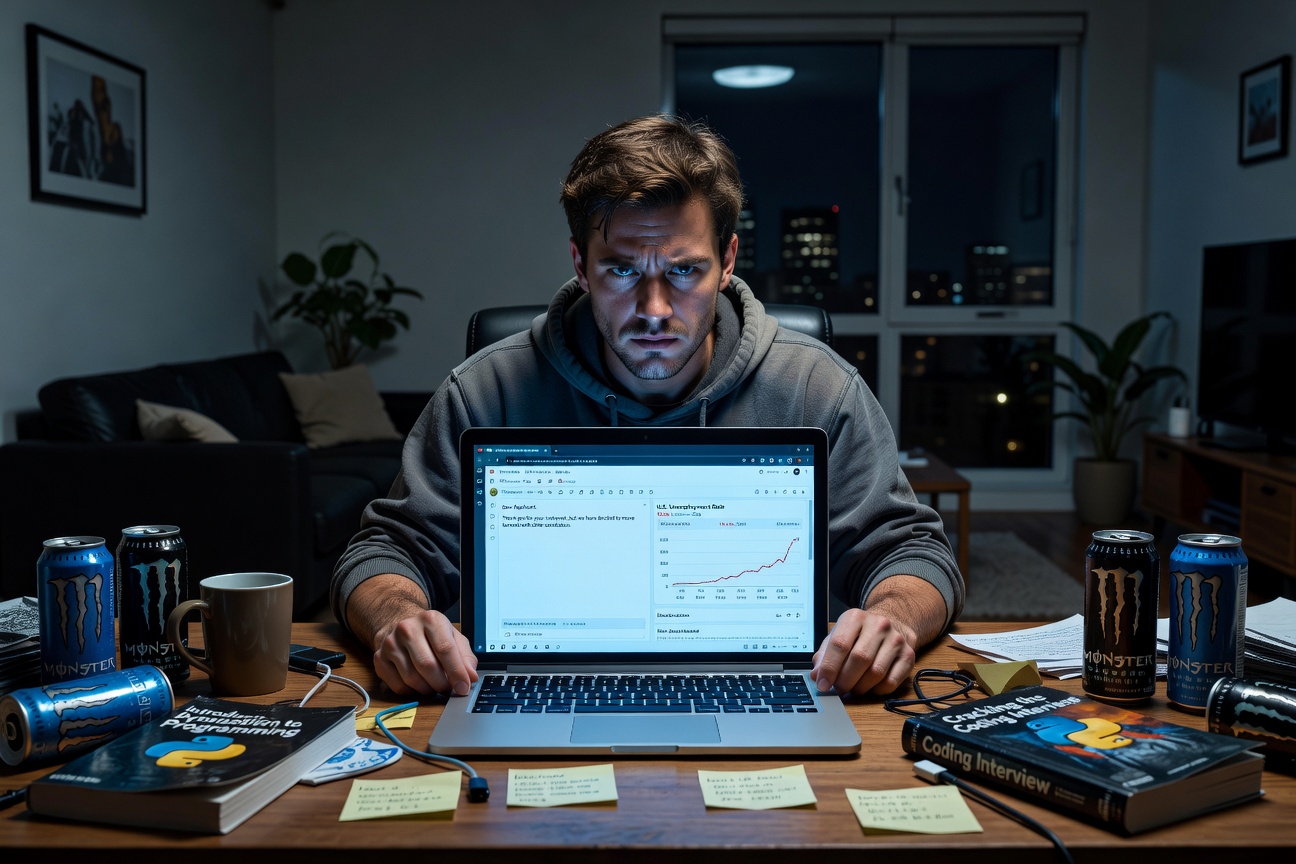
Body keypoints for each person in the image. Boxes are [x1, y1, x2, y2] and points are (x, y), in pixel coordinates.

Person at [330, 114, 964, 699]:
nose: (655, 310)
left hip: (766, 690)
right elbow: (383, 552)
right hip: (537, 688)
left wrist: (891, 619)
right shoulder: (486, 391)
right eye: (623, 272)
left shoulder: (817, 388)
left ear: (728, 260)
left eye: (685, 271)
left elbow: (913, 554)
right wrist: (399, 617)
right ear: (580, 264)